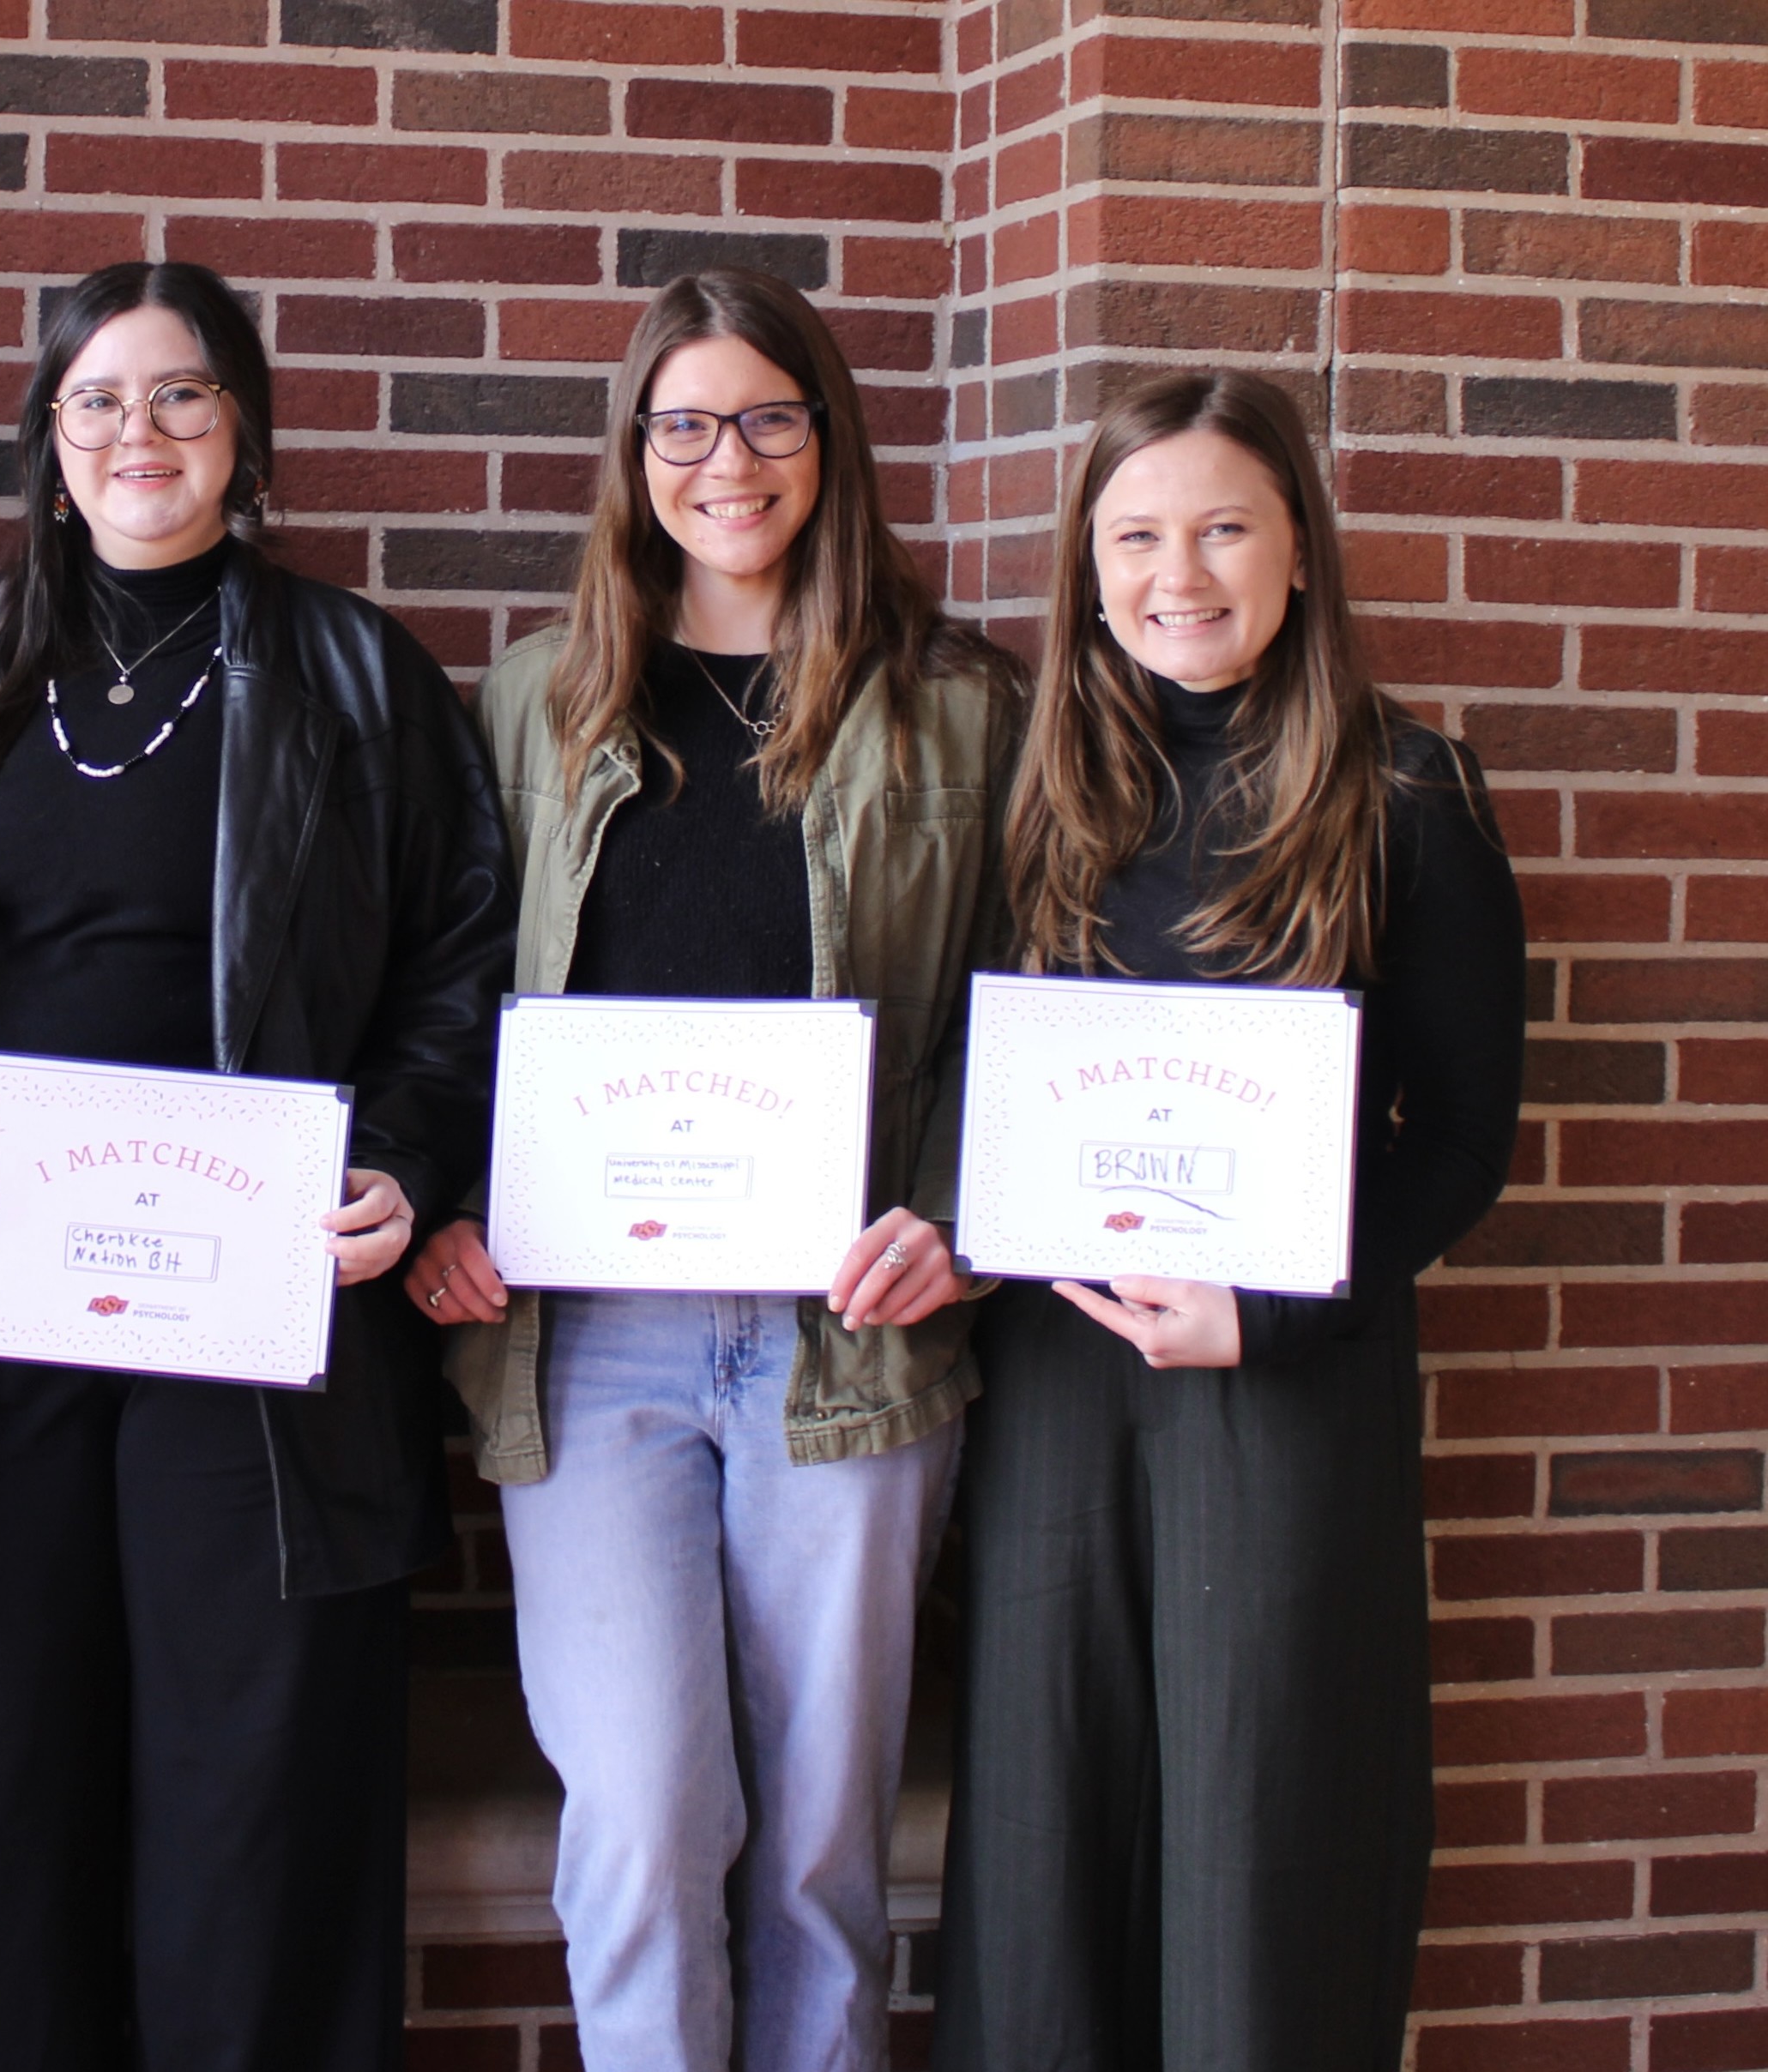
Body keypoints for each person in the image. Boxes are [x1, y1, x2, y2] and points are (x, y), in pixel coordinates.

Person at [0, 258, 515, 2072]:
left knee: (252, 1792)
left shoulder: (358, 673)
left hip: (259, 1317)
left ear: (245, 431)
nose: (143, 432)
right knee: (2, 1788)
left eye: (183, 394)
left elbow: (459, 960)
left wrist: (408, 1157)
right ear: (49, 442)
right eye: (100, 399)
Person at [401, 268, 1019, 2072]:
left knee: (824, 1845)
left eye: (764, 416)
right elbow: (446, 988)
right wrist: (444, 1202)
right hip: (591, 1344)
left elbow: (1023, 993)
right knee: (647, 1825)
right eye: (682, 422)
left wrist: (966, 1215)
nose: (723, 459)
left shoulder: (956, 703)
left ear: (826, 439)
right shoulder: (535, 700)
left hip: (852, 1340)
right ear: (632, 453)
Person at [935, 371, 1523, 2072]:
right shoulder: (1041, 786)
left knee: (1264, 1834)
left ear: (1296, 550)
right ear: (1086, 561)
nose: (1174, 572)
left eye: (1220, 527)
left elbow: (1460, 1140)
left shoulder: (1405, 792)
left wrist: (1269, 1311)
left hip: (1283, 1379)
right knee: (1051, 1812)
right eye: (1133, 534)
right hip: (1058, 1368)